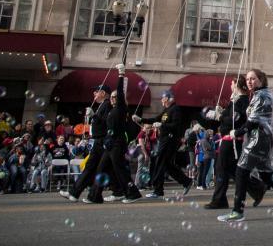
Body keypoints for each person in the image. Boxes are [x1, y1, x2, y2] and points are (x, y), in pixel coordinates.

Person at [218, 69, 273, 223]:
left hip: (258, 140)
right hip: (260, 139)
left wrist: (236, 132)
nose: (249, 81)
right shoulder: (259, 95)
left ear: (261, 80)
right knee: (266, 174)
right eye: (248, 79)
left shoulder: (261, 96)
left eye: (253, 79)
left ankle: (238, 211)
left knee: (241, 171)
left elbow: (253, 122)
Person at [204, 74, 263, 210]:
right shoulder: (235, 100)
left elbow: (234, 119)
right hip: (227, 138)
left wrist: (219, 116)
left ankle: (219, 199)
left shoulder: (242, 101)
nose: (230, 86)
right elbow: (229, 116)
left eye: (232, 84)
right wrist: (221, 113)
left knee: (221, 168)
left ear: (236, 85)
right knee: (232, 170)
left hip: (232, 139)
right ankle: (256, 188)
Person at [92, 63, 143, 203]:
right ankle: (94, 196)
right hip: (109, 143)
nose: (114, 98)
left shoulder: (121, 108)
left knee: (120, 169)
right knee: (102, 168)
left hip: (117, 143)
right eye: (112, 97)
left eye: (116, 97)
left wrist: (121, 74)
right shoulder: (111, 110)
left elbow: (120, 92)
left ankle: (132, 193)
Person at [133, 90, 192, 199]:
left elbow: (176, 125)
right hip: (164, 140)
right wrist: (141, 119)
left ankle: (158, 190)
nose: (161, 100)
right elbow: (155, 119)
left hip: (170, 140)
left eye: (163, 98)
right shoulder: (167, 110)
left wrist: (162, 126)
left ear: (168, 98)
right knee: (167, 165)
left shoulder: (175, 109)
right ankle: (186, 181)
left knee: (159, 162)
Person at [60, 82, 111, 202]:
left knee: (99, 169)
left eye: (96, 91)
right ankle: (75, 193)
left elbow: (106, 122)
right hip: (98, 141)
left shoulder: (107, 105)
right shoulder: (101, 105)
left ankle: (94, 195)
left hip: (102, 141)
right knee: (90, 168)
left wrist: (94, 116)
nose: (94, 93)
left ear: (103, 93)